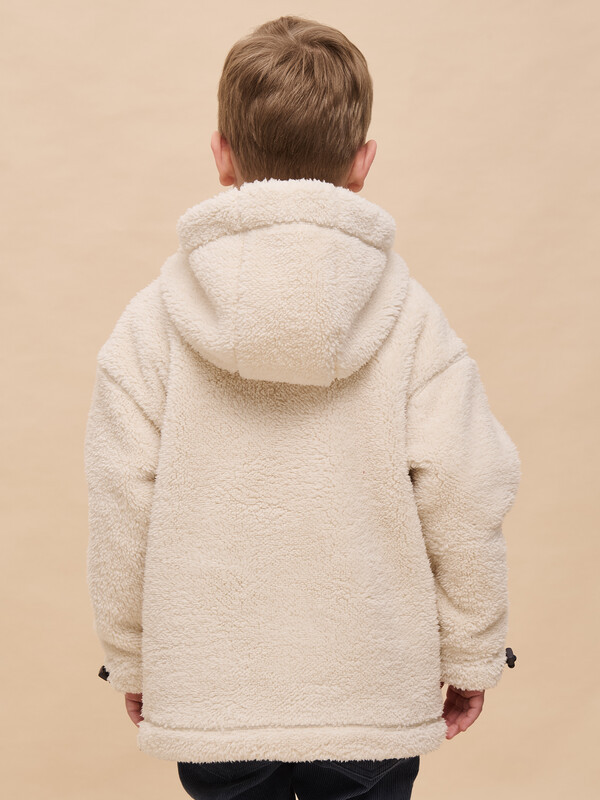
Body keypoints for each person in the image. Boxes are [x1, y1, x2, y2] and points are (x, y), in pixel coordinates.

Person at [84, 14, 521, 800]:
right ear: (362, 163)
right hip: (371, 694)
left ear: (221, 154)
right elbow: (466, 491)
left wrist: (134, 657)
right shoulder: (412, 320)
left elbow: (120, 502)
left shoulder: (152, 324)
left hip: (213, 693)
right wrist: (470, 652)